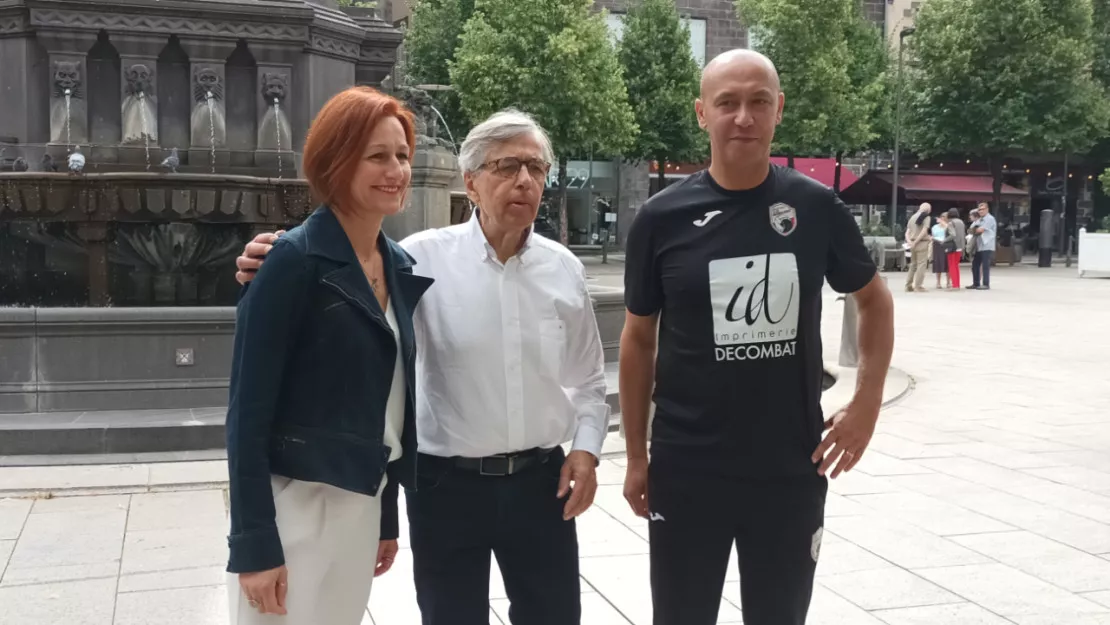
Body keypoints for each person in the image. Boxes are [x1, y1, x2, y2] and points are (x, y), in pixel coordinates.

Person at [235, 109, 609, 625]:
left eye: (537, 167)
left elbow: (589, 380)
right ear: (470, 182)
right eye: (507, 166)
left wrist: (587, 451)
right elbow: (338, 278)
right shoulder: (416, 261)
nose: (525, 180)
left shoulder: (565, 270)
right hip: (444, 490)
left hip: (540, 487)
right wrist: (271, 255)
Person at [619, 49, 895, 625]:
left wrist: (866, 403)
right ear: (702, 113)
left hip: (789, 467)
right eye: (727, 103)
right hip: (688, 467)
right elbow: (638, 339)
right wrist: (638, 457)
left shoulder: (815, 207)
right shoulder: (660, 218)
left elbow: (873, 300)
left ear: (778, 111)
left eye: (758, 102)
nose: (742, 116)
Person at [224, 86, 433, 624]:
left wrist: (387, 514)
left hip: (360, 504)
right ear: (337, 162)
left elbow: (386, 403)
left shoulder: (401, 267)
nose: (396, 170)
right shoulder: (291, 261)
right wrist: (254, 546)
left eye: (403, 156)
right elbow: (246, 415)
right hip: (294, 502)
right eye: (378, 156)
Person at [904, 202, 932, 292]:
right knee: (921, 265)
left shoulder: (912, 217)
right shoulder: (926, 217)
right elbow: (924, 231)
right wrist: (916, 242)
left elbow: (907, 232)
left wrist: (910, 242)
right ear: (928, 210)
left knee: (913, 265)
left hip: (912, 243)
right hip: (921, 243)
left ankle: (908, 285)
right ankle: (918, 286)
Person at [969, 201, 997, 290]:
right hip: (979, 245)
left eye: (982, 209)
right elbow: (970, 229)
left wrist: (975, 229)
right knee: (975, 264)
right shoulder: (979, 219)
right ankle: (976, 283)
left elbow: (980, 230)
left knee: (985, 265)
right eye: (979, 210)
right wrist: (975, 229)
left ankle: (986, 284)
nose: (980, 211)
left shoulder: (990, 219)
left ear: (987, 209)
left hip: (987, 244)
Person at [946, 208, 966, 289]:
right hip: (960, 246)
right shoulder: (961, 222)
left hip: (952, 246)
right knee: (956, 265)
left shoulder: (951, 223)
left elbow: (952, 235)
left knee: (951, 265)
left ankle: (954, 285)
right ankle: (957, 284)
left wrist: (944, 240)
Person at [931, 212, 950, 289]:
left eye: (945, 216)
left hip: (946, 244)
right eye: (942, 216)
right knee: (938, 263)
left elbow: (950, 232)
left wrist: (944, 224)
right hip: (937, 245)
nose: (943, 218)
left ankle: (948, 282)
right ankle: (938, 282)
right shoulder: (935, 227)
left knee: (947, 263)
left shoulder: (949, 226)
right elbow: (933, 235)